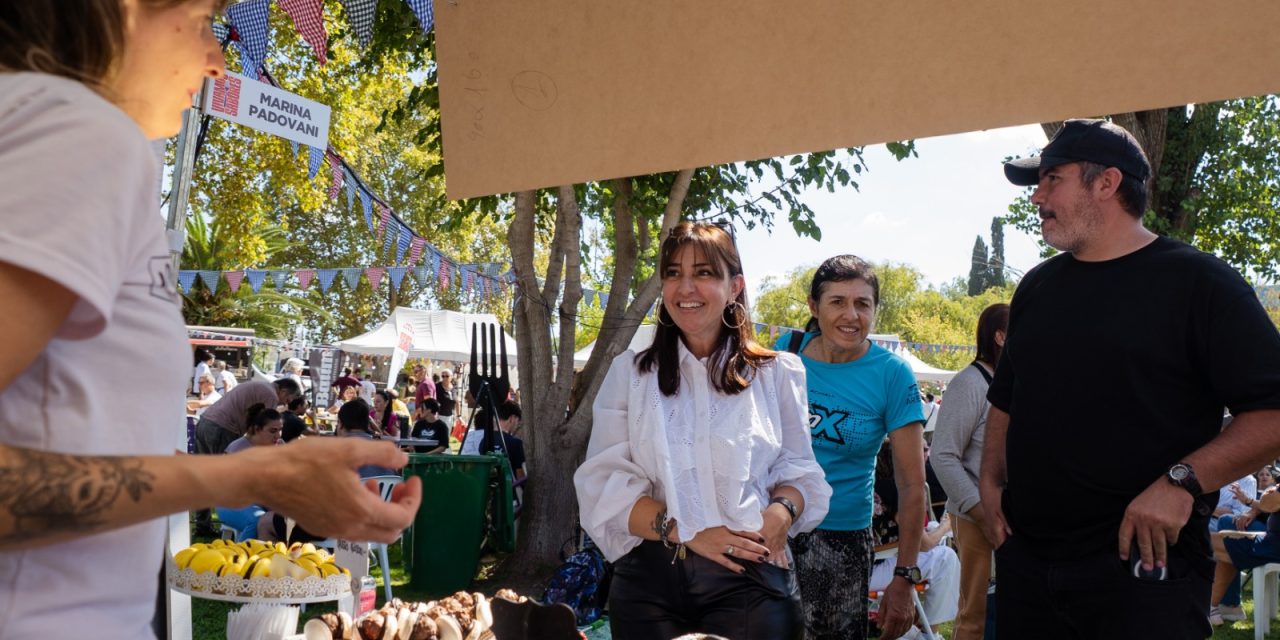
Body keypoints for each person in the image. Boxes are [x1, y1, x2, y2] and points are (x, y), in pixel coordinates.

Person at [0, 3, 422, 636]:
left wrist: (248, 480)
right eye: (201, 19)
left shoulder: (49, 129)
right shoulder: (79, 132)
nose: (218, 56)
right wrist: (250, 473)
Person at [979, 118, 1280, 639]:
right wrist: (988, 483)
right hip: (1028, 565)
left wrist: (1180, 481)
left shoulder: (1201, 284)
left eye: (1053, 179)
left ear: (1106, 182)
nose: (1038, 198)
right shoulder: (1036, 289)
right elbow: (1006, 398)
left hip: (1143, 574)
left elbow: (1272, 413)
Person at [575, 222, 831, 640]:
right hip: (649, 584)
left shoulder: (777, 374)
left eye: (704, 273)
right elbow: (602, 483)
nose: (685, 287)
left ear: (735, 287)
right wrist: (687, 532)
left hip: (749, 577)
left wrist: (781, 512)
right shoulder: (632, 373)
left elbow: (800, 472)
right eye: (673, 273)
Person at [774, 255, 927, 640]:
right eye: (837, 301)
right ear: (814, 306)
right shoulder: (785, 353)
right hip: (774, 528)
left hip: (841, 542)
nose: (851, 315)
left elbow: (912, 486)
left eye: (863, 303)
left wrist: (904, 576)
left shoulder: (892, 374)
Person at [928, 302, 1008, 640]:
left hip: (1007, 513)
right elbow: (943, 456)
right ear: (1001, 337)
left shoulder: (1010, 381)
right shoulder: (970, 383)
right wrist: (980, 510)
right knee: (976, 612)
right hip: (975, 514)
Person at [871, 443, 961, 638]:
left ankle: (920, 628)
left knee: (935, 538)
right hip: (877, 568)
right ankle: (930, 631)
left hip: (864, 564)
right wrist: (947, 527)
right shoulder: (895, 489)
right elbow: (925, 544)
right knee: (946, 557)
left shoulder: (872, 485)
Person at [1210, 485, 1280, 624]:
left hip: (1274, 545)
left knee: (1225, 542)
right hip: (1272, 540)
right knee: (1228, 541)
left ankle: (1215, 606)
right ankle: (1221, 606)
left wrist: (1251, 500)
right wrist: (1249, 502)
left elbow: (1269, 502)